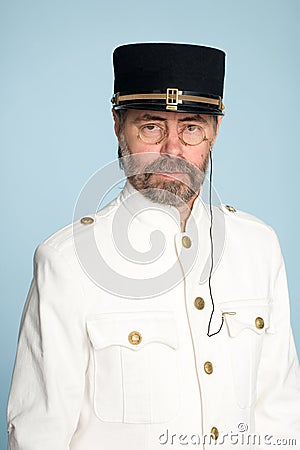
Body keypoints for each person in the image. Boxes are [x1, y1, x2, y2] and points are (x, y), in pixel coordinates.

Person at [7, 43, 300, 450]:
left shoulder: (259, 247)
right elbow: (40, 436)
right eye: (151, 126)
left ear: (215, 131)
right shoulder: (67, 261)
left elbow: (282, 418)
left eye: (191, 127)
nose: (173, 150)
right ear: (117, 125)